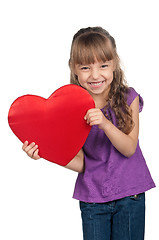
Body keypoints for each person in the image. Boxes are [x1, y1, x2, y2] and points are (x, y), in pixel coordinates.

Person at [22, 27, 155, 240]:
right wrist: (46, 152)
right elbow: (84, 164)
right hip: (93, 200)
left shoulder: (129, 98)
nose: (95, 75)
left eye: (103, 65)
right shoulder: (71, 109)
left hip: (131, 195)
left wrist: (104, 123)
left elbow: (129, 148)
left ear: (114, 64)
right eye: (85, 67)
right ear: (74, 68)